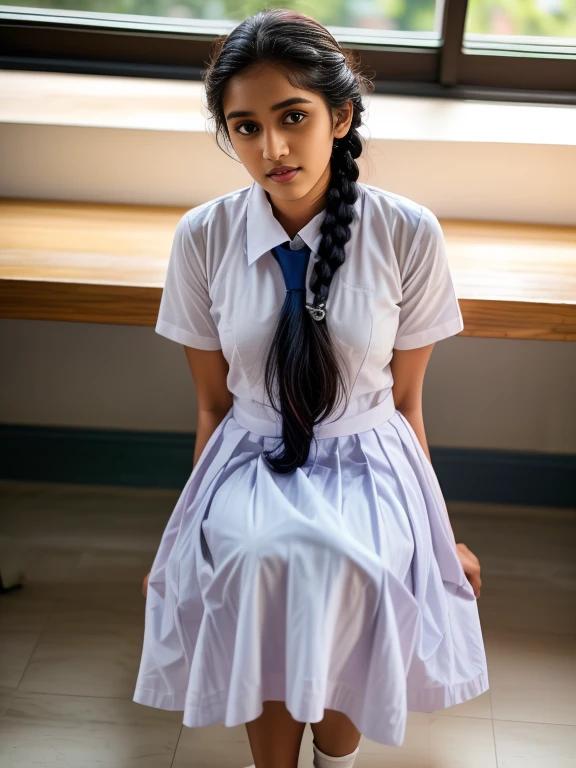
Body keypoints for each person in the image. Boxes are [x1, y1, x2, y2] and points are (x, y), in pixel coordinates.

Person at [133, 8, 488, 768]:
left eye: (292, 116)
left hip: (368, 454)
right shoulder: (203, 237)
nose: (274, 147)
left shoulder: (406, 233)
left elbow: (405, 402)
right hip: (250, 454)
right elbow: (212, 404)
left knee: (354, 566)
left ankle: (336, 755)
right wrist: (180, 540)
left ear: (342, 114)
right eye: (247, 126)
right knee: (258, 560)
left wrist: (439, 534)